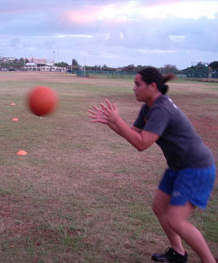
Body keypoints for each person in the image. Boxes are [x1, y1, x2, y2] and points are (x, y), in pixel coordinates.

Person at [88, 67, 216, 263]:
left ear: (152, 86)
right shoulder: (149, 106)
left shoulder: (161, 108)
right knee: (159, 207)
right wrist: (111, 123)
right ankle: (178, 253)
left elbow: (142, 144)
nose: (134, 88)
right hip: (178, 167)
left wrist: (117, 120)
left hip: (195, 167)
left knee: (176, 220)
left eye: (138, 84)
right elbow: (133, 134)